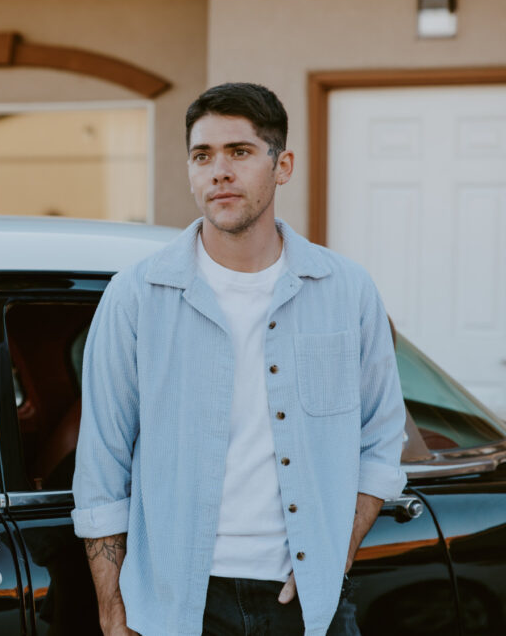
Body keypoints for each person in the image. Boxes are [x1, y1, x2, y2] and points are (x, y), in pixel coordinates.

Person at [72, 83, 406, 635]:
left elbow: (381, 438)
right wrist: (112, 612)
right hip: (179, 607)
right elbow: (103, 463)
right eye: (203, 155)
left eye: (240, 152)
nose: (219, 171)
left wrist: (335, 552)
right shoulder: (136, 295)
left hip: (308, 605)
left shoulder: (346, 290)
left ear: (283, 165)